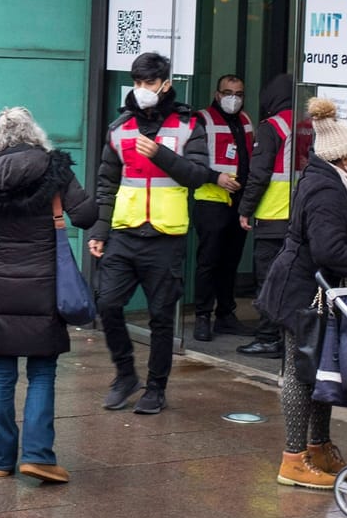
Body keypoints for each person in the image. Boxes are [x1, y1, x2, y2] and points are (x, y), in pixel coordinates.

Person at [0, 107, 93, 484]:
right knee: (42, 371)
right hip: (43, 284)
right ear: (34, 134)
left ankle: (0, 461)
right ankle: (38, 455)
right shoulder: (55, 170)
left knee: (0, 375)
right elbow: (86, 216)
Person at [255, 96, 347, 489]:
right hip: (302, 294)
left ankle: (318, 448)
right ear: (343, 156)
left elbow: (336, 235)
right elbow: (327, 250)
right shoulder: (327, 190)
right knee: (300, 376)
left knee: (317, 371)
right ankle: (293, 459)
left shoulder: (332, 181)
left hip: (315, 292)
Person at [89, 51, 212, 415]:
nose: (143, 89)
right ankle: (125, 373)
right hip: (124, 232)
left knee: (161, 317)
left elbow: (197, 175)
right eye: (138, 83)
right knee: (107, 303)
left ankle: (156, 388)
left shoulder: (189, 125)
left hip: (166, 236)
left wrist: (160, 154)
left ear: (166, 84)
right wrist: (100, 228)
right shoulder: (119, 127)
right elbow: (106, 183)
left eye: (150, 83)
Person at [235, 74, 296, 359]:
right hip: (299, 218)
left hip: (273, 216)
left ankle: (267, 337)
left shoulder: (272, 127)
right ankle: (291, 340)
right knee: (293, 282)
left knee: (268, 281)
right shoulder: (307, 124)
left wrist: (246, 209)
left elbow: (259, 175)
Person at [191, 74, 253, 343]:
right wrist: (216, 177)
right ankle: (203, 316)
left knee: (230, 261)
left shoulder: (246, 121)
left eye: (238, 94)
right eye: (228, 92)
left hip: (238, 202)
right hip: (210, 199)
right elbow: (190, 161)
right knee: (208, 260)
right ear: (217, 94)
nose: (233, 98)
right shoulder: (202, 119)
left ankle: (226, 315)